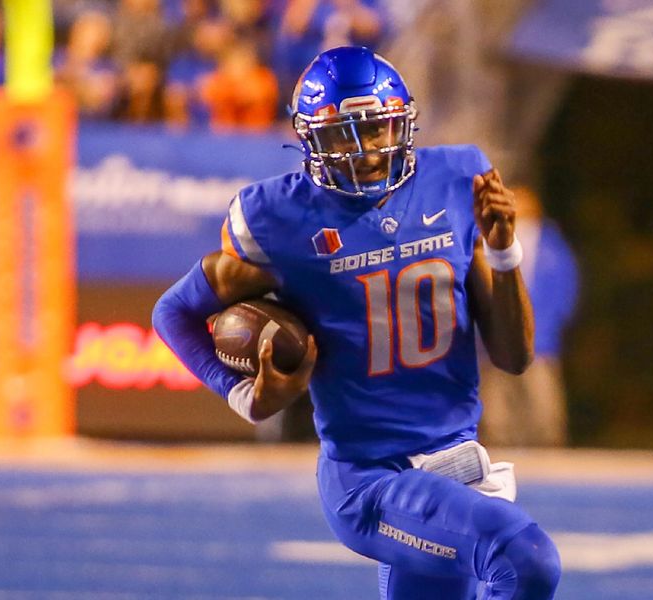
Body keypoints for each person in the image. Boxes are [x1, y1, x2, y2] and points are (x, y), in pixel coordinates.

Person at [153, 46, 560, 599]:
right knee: (523, 558)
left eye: (375, 129)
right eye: (343, 135)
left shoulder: (457, 179)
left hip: (455, 463)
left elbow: (513, 356)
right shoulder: (279, 219)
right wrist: (242, 395)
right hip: (371, 479)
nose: (365, 151)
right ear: (310, 139)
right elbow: (173, 311)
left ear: (403, 124)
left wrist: (505, 252)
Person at [479, 187, 579, 447]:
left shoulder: (550, 246)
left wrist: (551, 323)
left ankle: (547, 447)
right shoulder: (485, 240)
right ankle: (499, 444)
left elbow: (565, 286)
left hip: (539, 339)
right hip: (495, 339)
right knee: (497, 404)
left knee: (541, 398)